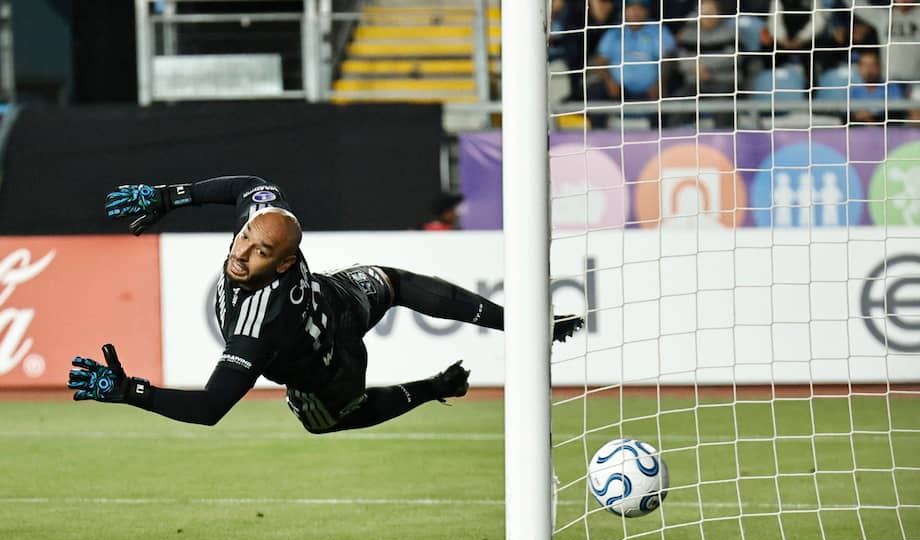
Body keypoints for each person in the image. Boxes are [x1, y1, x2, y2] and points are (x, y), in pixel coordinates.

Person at [68, 176, 585, 433]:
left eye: (260, 251)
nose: (242, 254)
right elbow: (252, 185)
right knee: (395, 282)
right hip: (340, 299)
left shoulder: (258, 327)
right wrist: (168, 196)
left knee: (324, 421)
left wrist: (129, 391)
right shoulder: (267, 225)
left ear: (285, 263)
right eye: (244, 238)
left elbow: (209, 409)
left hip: (327, 367)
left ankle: (437, 386)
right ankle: (516, 329)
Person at [589, 0, 677, 128]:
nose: (635, 13)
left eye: (640, 8)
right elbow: (600, 61)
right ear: (624, 11)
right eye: (631, 8)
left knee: (672, 91)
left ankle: (660, 135)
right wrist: (609, 81)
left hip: (650, 90)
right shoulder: (615, 32)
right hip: (619, 90)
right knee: (595, 91)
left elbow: (669, 58)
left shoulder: (657, 30)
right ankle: (597, 135)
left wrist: (660, 82)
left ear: (647, 11)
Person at [849, 48, 905, 123]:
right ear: (859, 68)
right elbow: (850, 114)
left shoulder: (891, 88)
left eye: (872, 65)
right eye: (865, 65)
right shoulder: (854, 90)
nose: (869, 70)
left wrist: (872, 117)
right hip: (859, 128)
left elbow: (897, 113)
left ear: (880, 67)